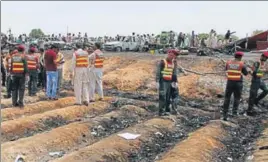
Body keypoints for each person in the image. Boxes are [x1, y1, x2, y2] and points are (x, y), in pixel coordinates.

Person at [222, 51, 248, 121]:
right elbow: (246, 73)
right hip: (238, 83)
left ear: (234, 56)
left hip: (230, 82)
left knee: (227, 98)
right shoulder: (241, 64)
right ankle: (234, 113)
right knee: (236, 98)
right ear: (240, 57)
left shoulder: (228, 63)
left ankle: (225, 114)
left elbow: (226, 70)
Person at [156, 49, 179, 116]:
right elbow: (158, 72)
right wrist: (157, 81)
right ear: (168, 54)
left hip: (170, 81)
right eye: (171, 55)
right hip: (163, 81)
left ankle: (167, 110)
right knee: (163, 96)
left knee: (168, 97)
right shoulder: (162, 62)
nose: (172, 57)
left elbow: (174, 72)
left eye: (174, 56)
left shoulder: (174, 62)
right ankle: (161, 112)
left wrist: (175, 81)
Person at [247, 51, 268, 116]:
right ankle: (249, 110)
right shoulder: (257, 62)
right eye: (265, 58)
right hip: (255, 80)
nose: (265, 59)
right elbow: (255, 72)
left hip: (260, 80)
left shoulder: (263, 63)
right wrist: (264, 70)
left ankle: (256, 101)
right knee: (253, 95)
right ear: (262, 56)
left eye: (266, 58)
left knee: (266, 90)